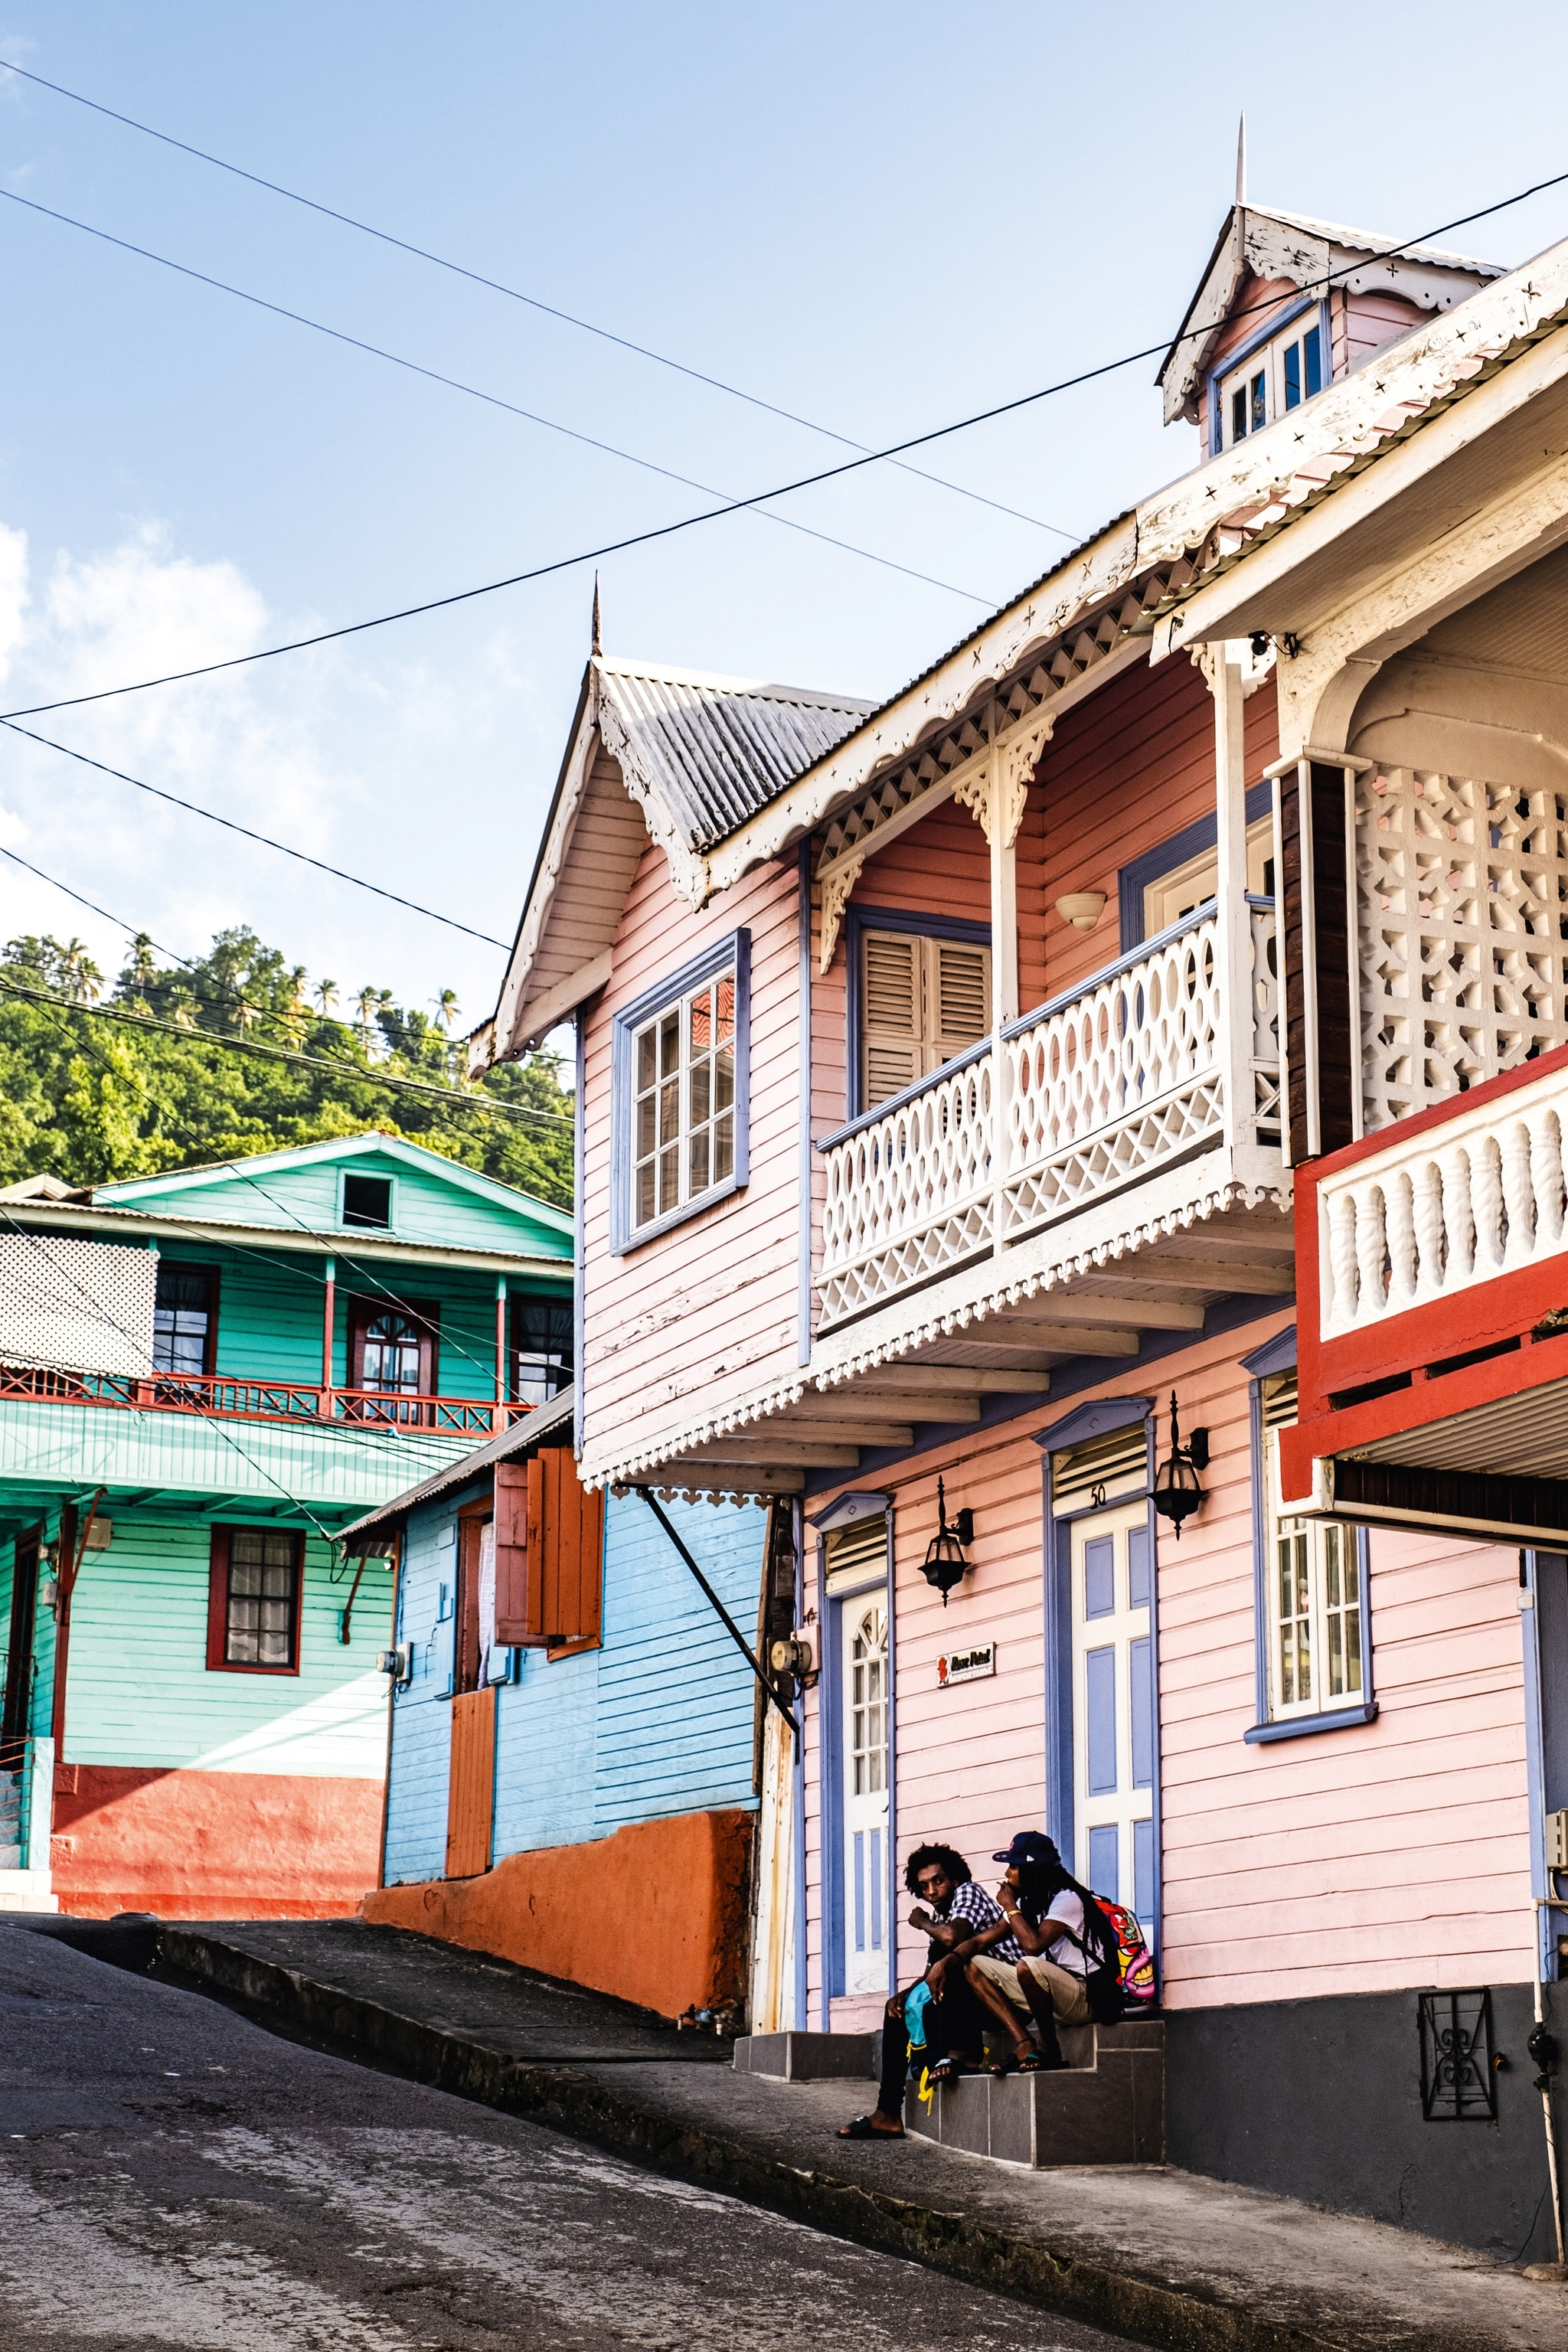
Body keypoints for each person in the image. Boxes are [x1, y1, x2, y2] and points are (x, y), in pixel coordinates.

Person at [836, 1842, 1024, 2139]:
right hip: (975, 2003)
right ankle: (887, 2112)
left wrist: (920, 1921)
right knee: (898, 2008)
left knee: (958, 1964)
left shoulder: (968, 1893)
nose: (932, 1891)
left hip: (1007, 1999)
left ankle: (963, 2054)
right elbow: (931, 1971)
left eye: (938, 1881)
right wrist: (904, 1995)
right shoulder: (941, 1915)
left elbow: (953, 1940)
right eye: (924, 1886)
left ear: (955, 1879)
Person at [965, 1830, 1119, 2070]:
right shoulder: (1032, 1903)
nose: (1007, 1874)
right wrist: (945, 1963)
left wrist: (1009, 1905)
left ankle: (1049, 2050)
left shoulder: (1067, 1899)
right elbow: (980, 1942)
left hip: (1086, 1998)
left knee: (1028, 1965)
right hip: (1056, 1998)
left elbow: (1033, 1946)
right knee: (974, 1964)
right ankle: (1025, 2042)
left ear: (1032, 1871)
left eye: (1014, 1867)